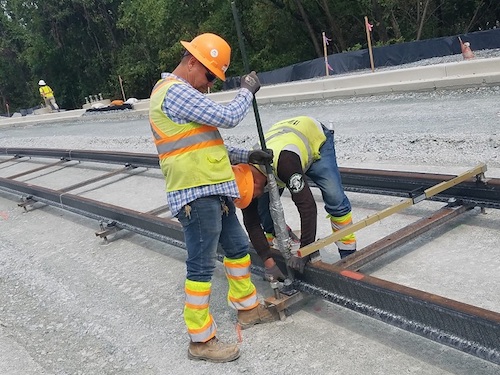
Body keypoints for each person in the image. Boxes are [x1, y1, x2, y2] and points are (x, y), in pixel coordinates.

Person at [148, 32, 277, 363]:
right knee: (201, 264)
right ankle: (200, 340)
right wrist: (246, 90)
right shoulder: (173, 91)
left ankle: (247, 309)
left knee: (236, 250)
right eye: (208, 76)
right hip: (195, 194)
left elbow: (209, 144)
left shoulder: (186, 94)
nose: (208, 85)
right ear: (192, 62)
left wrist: (246, 154)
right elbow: (229, 117)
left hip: (214, 191)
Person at [241, 115, 357, 280]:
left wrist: (305, 252)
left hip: (313, 135)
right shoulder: (242, 179)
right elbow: (252, 223)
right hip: (283, 135)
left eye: (253, 194)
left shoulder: (285, 163)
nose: (252, 198)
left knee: (334, 197)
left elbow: (307, 206)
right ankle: (279, 241)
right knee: (263, 211)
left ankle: (348, 253)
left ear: (255, 182)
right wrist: (269, 263)